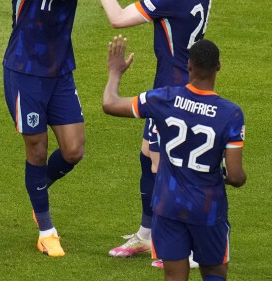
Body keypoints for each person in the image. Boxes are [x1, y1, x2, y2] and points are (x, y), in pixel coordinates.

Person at [3, 0, 145, 257]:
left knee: (74, 150)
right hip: (24, 73)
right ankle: (47, 230)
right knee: (35, 149)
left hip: (60, 72)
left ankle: (38, 189)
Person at [94, 0, 212, 264]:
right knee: (149, 155)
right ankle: (147, 235)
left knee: (167, 166)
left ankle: (184, 247)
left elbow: (117, 18)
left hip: (173, 91)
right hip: (178, 80)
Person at [102, 35, 246, 281]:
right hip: (207, 209)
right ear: (218, 67)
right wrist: (227, 176)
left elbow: (110, 104)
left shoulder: (163, 99)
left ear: (189, 66)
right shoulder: (230, 114)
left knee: (174, 277)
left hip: (168, 206)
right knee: (215, 273)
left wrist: (115, 72)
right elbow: (235, 176)